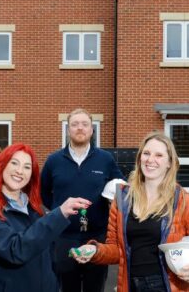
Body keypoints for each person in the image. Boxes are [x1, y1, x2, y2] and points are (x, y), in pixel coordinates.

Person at [73, 132, 189, 292]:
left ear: (169, 162)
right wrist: (95, 250)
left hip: (167, 286)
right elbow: (117, 250)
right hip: (130, 284)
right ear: (140, 158)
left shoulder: (184, 202)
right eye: (146, 153)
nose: (150, 160)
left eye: (159, 155)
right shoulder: (122, 200)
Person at [0, 143, 91, 292]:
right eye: (14, 163)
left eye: (27, 167)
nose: (20, 171)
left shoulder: (36, 209)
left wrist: (76, 252)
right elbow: (16, 250)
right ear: (1, 166)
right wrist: (60, 213)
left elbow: (45, 250)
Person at [40, 108, 125, 292]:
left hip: (96, 238)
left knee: (94, 287)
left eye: (85, 124)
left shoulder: (105, 159)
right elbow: (43, 192)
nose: (80, 128)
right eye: (75, 124)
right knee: (65, 287)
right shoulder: (54, 160)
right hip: (63, 237)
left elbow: (119, 189)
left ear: (92, 130)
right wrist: (59, 211)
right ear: (68, 129)